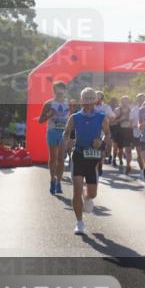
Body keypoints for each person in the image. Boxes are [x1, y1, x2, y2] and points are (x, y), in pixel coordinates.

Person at [63, 88, 111, 235]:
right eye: (85, 102)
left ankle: (88, 197)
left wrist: (102, 143)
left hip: (93, 158)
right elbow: (66, 133)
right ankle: (79, 223)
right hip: (78, 155)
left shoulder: (102, 117)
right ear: (81, 101)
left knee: (92, 193)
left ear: (95, 102)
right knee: (76, 190)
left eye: (91, 102)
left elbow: (108, 134)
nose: (88, 105)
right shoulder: (75, 117)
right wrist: (68, 142)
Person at [37, 81, 70, 194]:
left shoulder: (69, 103)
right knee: (53, 158)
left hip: (63, 133)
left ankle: (59, 182)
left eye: (62, 89)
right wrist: (50, 115)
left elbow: (73, 119)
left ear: (65, 91)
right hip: (52, 132)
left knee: (61, 159)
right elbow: (40, 121)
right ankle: (52, 179)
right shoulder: (49, 103)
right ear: (54, 91)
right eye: (57, 89)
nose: (59, 91)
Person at [113, 96, 135, 175]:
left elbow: (135, 119)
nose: (125, 103)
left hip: (128, 132)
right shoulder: (117, 110)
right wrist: (120, 119)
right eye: (123, 101)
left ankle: (128, 165)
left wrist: (132, 123)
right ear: (121, 102)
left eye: (126, 101)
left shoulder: (131, 110)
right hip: (119, 132)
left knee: (128, 150)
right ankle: (120, 161)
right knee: (120, 150)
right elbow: (113, 121)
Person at [130, 92, 145, 174]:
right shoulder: (134, 110)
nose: (141, 100)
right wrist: (135, 125)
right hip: (137, 134)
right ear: (137, 100)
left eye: (143, 98)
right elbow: (131, 124)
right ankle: (142, 171)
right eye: (139, 99)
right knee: (140, 154)